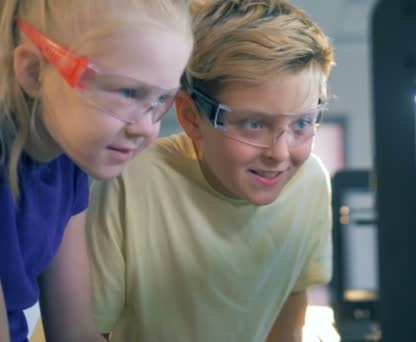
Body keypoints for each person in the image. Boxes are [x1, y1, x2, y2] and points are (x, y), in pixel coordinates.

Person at [86, 0, 336, 340]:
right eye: (252, 124)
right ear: (191, 118)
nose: (279, 153)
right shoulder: (130, 183)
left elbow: (291, 296)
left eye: (303, 123)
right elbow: (85, 329)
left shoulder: (309, 183)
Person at [0, 0, 193, 341]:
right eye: (127, 93)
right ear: (33, 71)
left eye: (160, 100)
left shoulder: (67, 158)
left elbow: (74, 332)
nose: (146, 129)